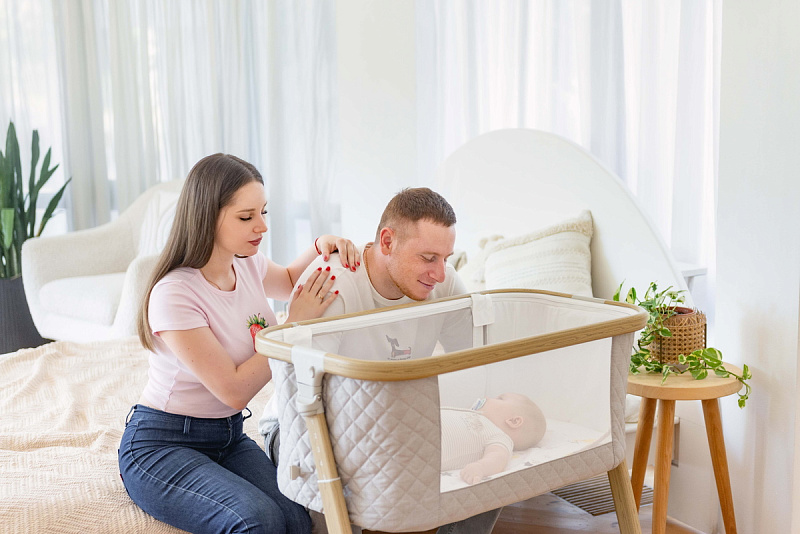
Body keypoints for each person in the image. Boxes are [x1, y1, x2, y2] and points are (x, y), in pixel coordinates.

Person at [118, 153, 360, 534]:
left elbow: (288, 281)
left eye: (263, 212)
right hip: (163, 444)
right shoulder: (174, 293)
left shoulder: (245, 263)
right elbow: (232, 390)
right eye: (246, 217)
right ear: (207, 217)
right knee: (258, 522)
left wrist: (320, 246)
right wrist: (291, 326)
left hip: (228, 437)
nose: (262, 226)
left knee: (298, 520)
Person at [259, 187, 502, 534]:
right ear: (387, 242)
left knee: (491, 447)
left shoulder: (443, 283)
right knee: (347, 473)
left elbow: (477, 364)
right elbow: (305, 398)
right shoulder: (332, 283)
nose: (439, 273)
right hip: (299, 424)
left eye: (446, 258)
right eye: (428, 258)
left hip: (394, 421)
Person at [441, 393, 546, 485]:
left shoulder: (499, 436)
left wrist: (480, 467)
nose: (487, 397)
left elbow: (498, 457)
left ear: (514, 421)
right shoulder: (473, 415)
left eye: (500, 398)